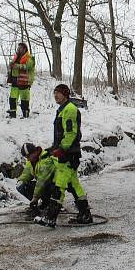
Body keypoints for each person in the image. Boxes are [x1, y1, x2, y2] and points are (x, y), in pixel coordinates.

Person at [38, 83, 93, 226]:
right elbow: (60, 134)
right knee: (74, 185)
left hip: (69, 154)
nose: (56, 95)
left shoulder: (69, 110)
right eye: (54, 93)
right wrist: (52, 150)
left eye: (59, 93)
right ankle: (85, 214)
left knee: (59, 185)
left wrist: (62, 149)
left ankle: (50, 217)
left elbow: (70, 133)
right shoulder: (62, 110)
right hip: (67, 153)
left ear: (66, 94)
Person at [7, 43, 35, 118]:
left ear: (25, 49)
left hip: (24, 81)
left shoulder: (30, 57)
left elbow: (28, 66)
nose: (19, 49)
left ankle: (25, 114)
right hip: (15, 80)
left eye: (20, 48)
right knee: (12, 98)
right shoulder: (16, 57)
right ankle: (12, 114)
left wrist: (16, 66)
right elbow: (12, 67)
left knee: (24, 99)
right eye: (18, 48)